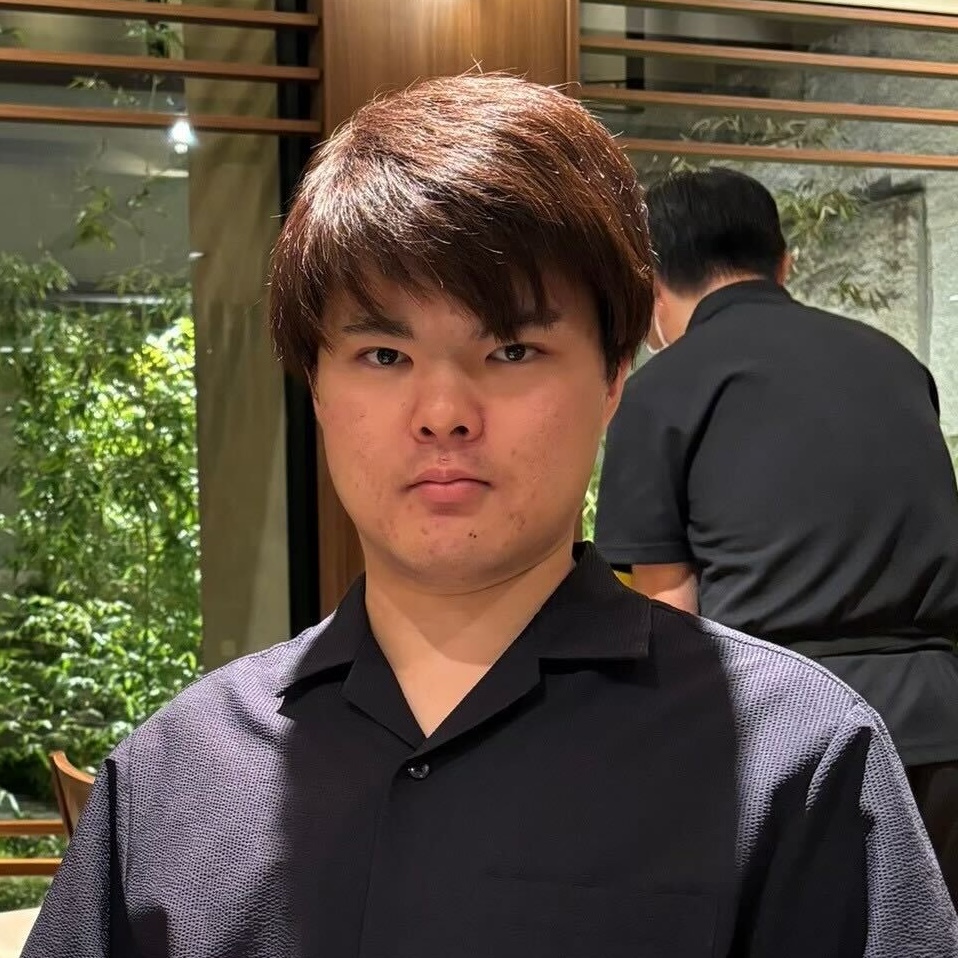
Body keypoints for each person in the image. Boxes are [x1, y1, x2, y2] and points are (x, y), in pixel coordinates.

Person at [24, 77, 957, 958]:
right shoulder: (174, 777)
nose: (443, 413)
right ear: (316, 387)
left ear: (613, 379)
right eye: (384, 355)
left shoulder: (799, 760)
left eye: (512, 349)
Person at [595, 166, 958, 905]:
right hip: (939, 729)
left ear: (651, 284)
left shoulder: (661, 390)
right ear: (783, 263)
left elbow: (668, 608)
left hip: (781, 734)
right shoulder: (896, 364)